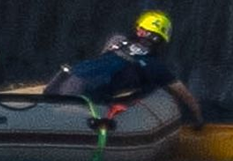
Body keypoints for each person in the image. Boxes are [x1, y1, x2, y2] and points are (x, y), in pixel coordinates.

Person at [44, 10, 203, 124]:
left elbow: (103, 61)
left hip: (62, 81)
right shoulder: (156, 67)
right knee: (151, 88)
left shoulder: (116, 41)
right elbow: (185, 95)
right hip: (85, 96)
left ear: (139, 31)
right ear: (162, 40)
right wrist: (198, 120)